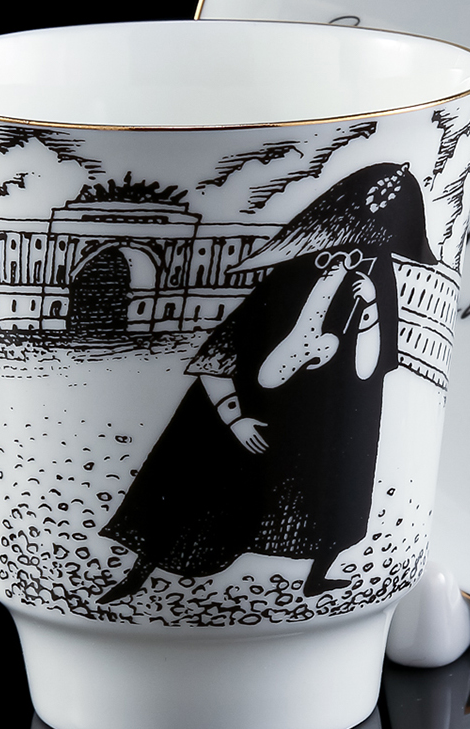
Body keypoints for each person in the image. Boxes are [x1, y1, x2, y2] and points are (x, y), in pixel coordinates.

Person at [98, 161, 433, 604]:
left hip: (323, 419)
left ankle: (317, 576)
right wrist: (235, 419)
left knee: (335, 486)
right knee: (197, 489)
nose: (358, 257)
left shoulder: (375, 275)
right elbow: (225, 350)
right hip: (262, 410)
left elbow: (371, 369)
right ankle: (138, 574)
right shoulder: (296, 273)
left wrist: (369, 309)